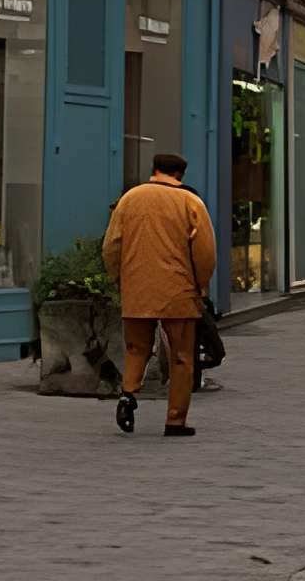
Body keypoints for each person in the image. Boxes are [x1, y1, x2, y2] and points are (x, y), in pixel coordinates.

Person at [103, 149, 217, 439]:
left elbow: (112, 245)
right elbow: (204, 253)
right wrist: (201, 285)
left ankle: (128, 394)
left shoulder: (129, 199)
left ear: (154, 170)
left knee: (135, 349)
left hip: (137, 289)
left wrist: (118, 278)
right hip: (178, 291)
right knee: (181, 356)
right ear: (180, 174)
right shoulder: (190, 202)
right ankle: (175, 421)